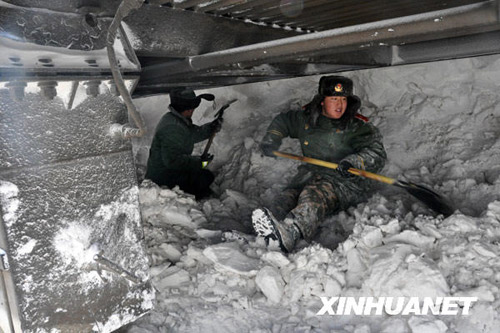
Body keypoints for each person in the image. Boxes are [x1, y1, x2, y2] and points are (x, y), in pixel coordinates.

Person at [252, 75, 387, 252]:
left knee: (312, 195)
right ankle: (266, 236)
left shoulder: (356, 126)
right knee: (285, 199)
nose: (340, 105)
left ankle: (292, 233)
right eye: (334, 99)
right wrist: (272, 139)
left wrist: (353, 162)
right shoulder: (306, 119)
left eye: (343, 99)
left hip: (344, 183)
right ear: (322, 101)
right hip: (310, 176)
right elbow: (283, 121)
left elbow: (376, 153)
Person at [145, 88, 223, 199]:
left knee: (202, 173)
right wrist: (199, 162)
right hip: (162, 178)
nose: (193, 111)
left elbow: (191, 134)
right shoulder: (172, 128)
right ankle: (192, 196)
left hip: (169, 170)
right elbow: (173, 161)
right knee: (205, 177)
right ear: (188, 110)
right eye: (192, 108)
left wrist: (211, 128)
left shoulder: (175, 119)